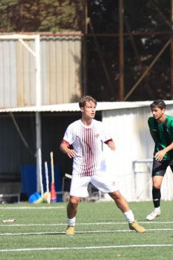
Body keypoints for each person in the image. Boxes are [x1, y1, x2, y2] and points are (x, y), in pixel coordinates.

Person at [60, 96, 146, 235]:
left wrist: (110, 143)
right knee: (74, 200)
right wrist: (67, 150)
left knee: (116, 194)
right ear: (82, 108)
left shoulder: (100, 125)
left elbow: (107, 138)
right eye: (89, 107)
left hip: (99, 169)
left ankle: (132, 222)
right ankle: (71, 225)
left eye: (94, 107)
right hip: (80, 170)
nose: (93, 110)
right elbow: (63, 145)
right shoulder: (73, 127)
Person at [144, 99, 173, 222]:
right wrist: (159, 149)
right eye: (152, 111)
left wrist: (164, 150)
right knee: (156, 184)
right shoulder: (151, 121)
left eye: (156, 110)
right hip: (159, 156)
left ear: (163, 110)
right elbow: (153, 135)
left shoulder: (171, 121)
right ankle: (156, 209)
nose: (153, 113)